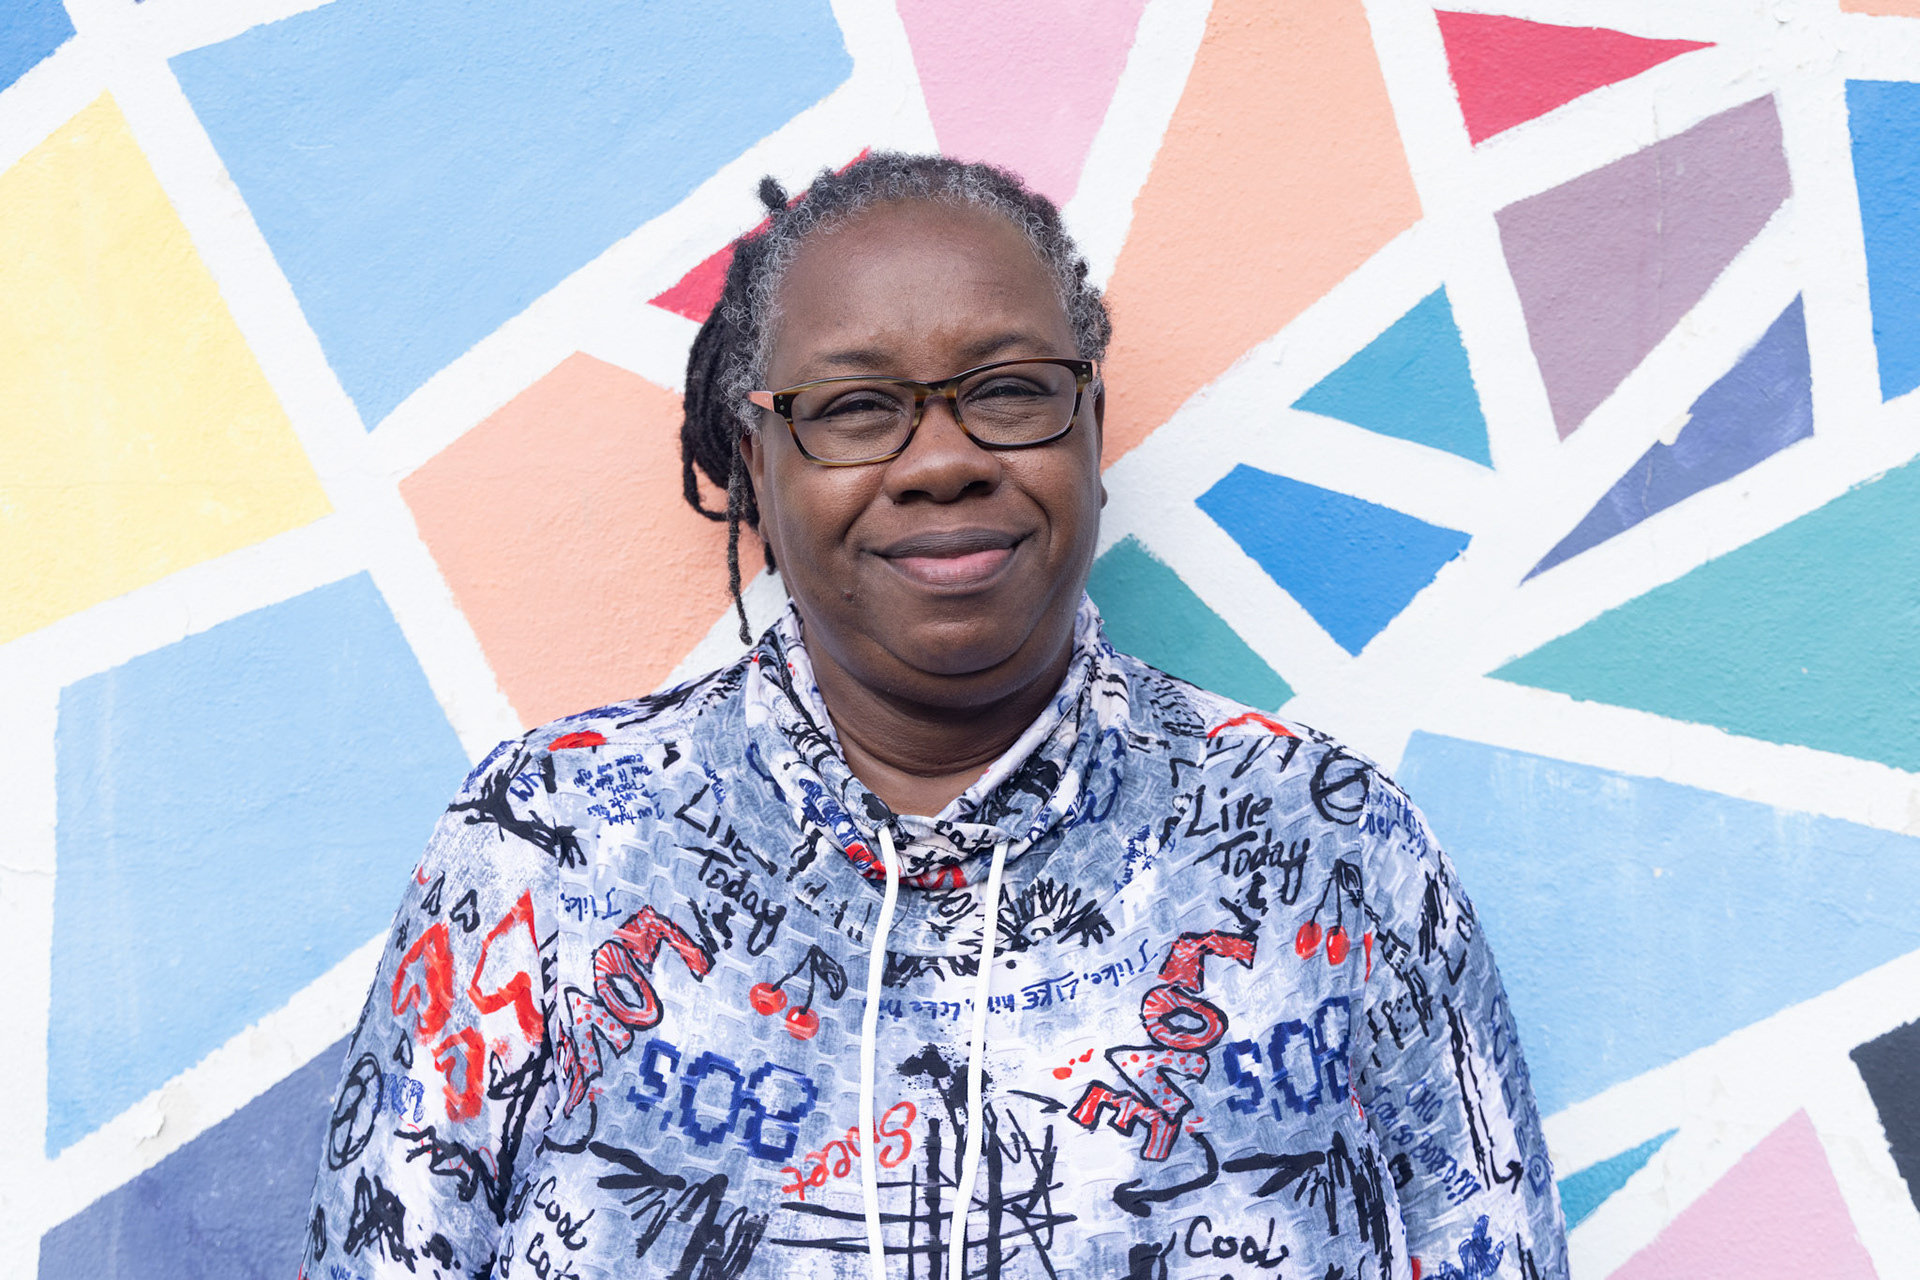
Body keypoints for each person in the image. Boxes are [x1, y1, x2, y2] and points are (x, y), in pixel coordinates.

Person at [303, 153, 1567, 1280]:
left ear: (1090, 427)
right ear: (756, 463)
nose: (943, 457)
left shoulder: (1330, 847)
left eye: (1010, 391)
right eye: (856, 408)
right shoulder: (549, 847)